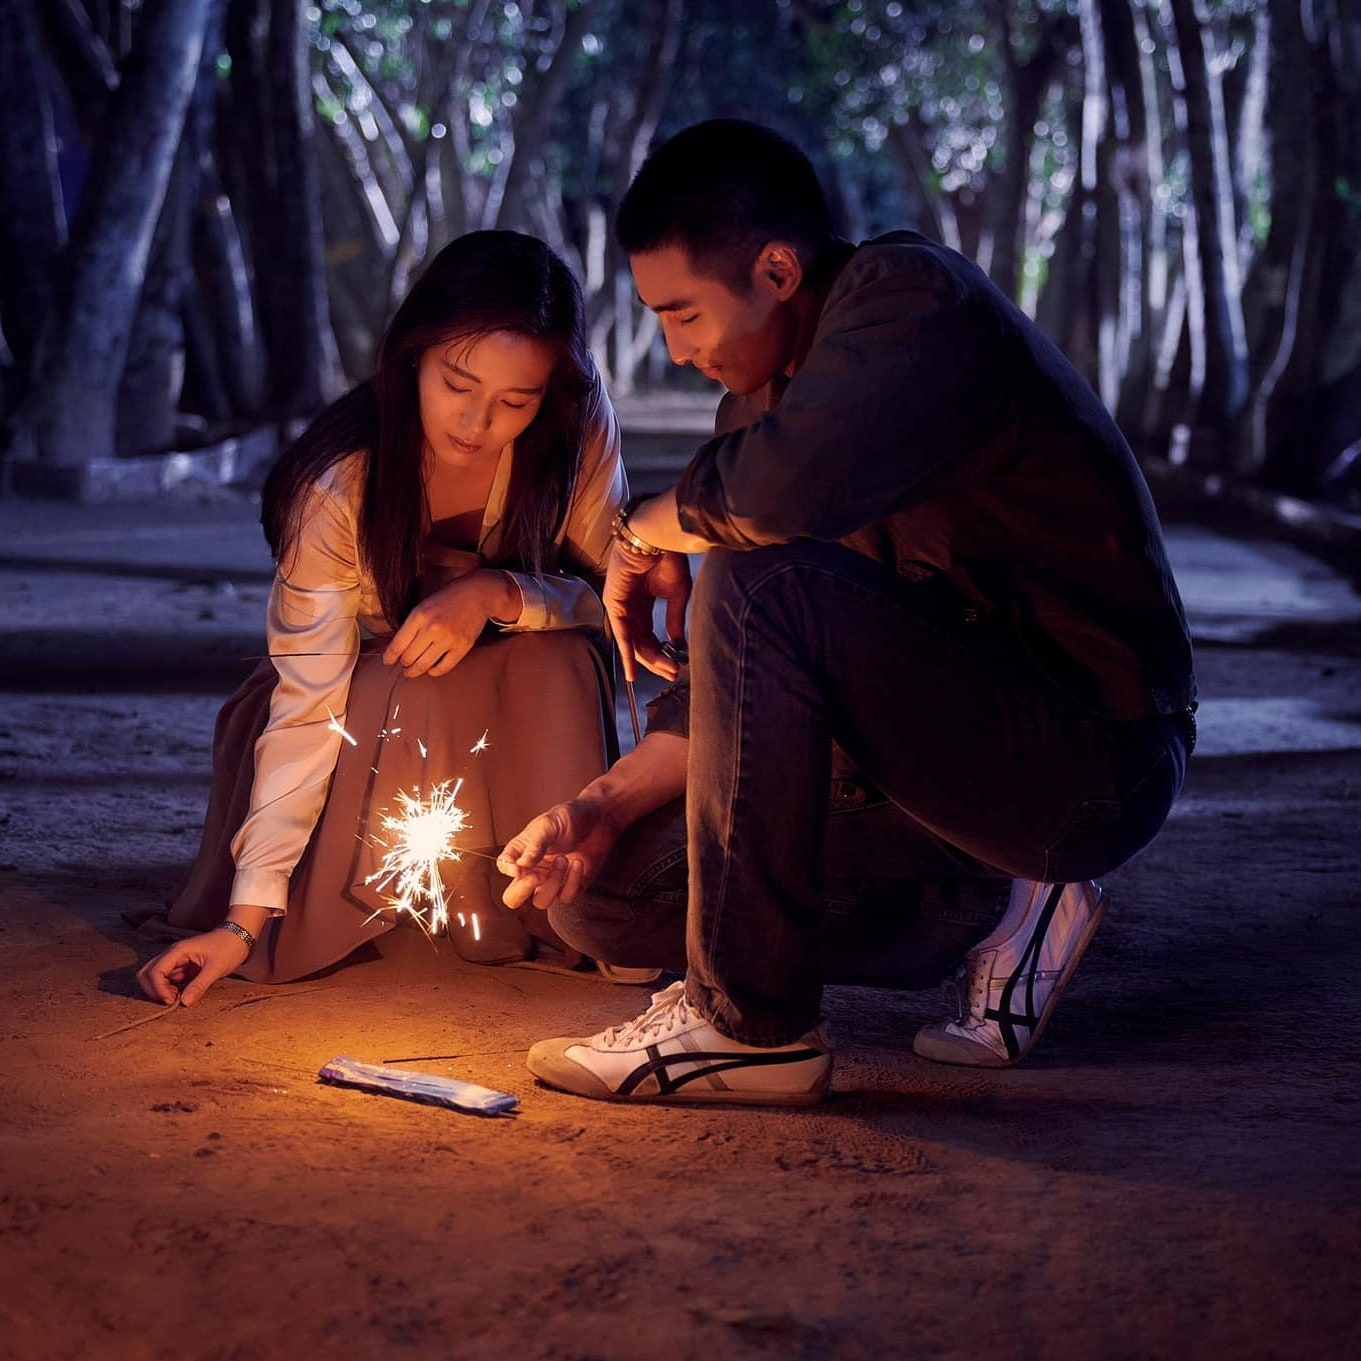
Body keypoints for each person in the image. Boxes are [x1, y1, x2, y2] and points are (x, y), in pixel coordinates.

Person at [496, 120, 1197, 1106]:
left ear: (777, 268)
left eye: (685, 313)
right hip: (928, 790)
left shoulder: (911, 300)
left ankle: (752, 1029)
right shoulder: (758, 401)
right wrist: (598, 805)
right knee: (608, 896)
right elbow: (727, 701)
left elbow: (779, 504)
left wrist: (643, 527)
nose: (674, 346)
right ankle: (999, 905)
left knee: (759, 572)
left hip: (1084, 759)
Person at [135, 230, 636, 1007]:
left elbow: (611, 601)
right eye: (456, 383)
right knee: (412, 666)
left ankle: (563, 906)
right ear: (412, 357)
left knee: (555, 659)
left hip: (524, 702)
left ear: (552, 391)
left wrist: (499, 594)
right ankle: (370, 900)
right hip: (361, 706)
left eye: (515, 401)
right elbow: (309, 705)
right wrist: (242, 922)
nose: (476, 422)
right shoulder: (339, 487)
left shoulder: (573, 430)